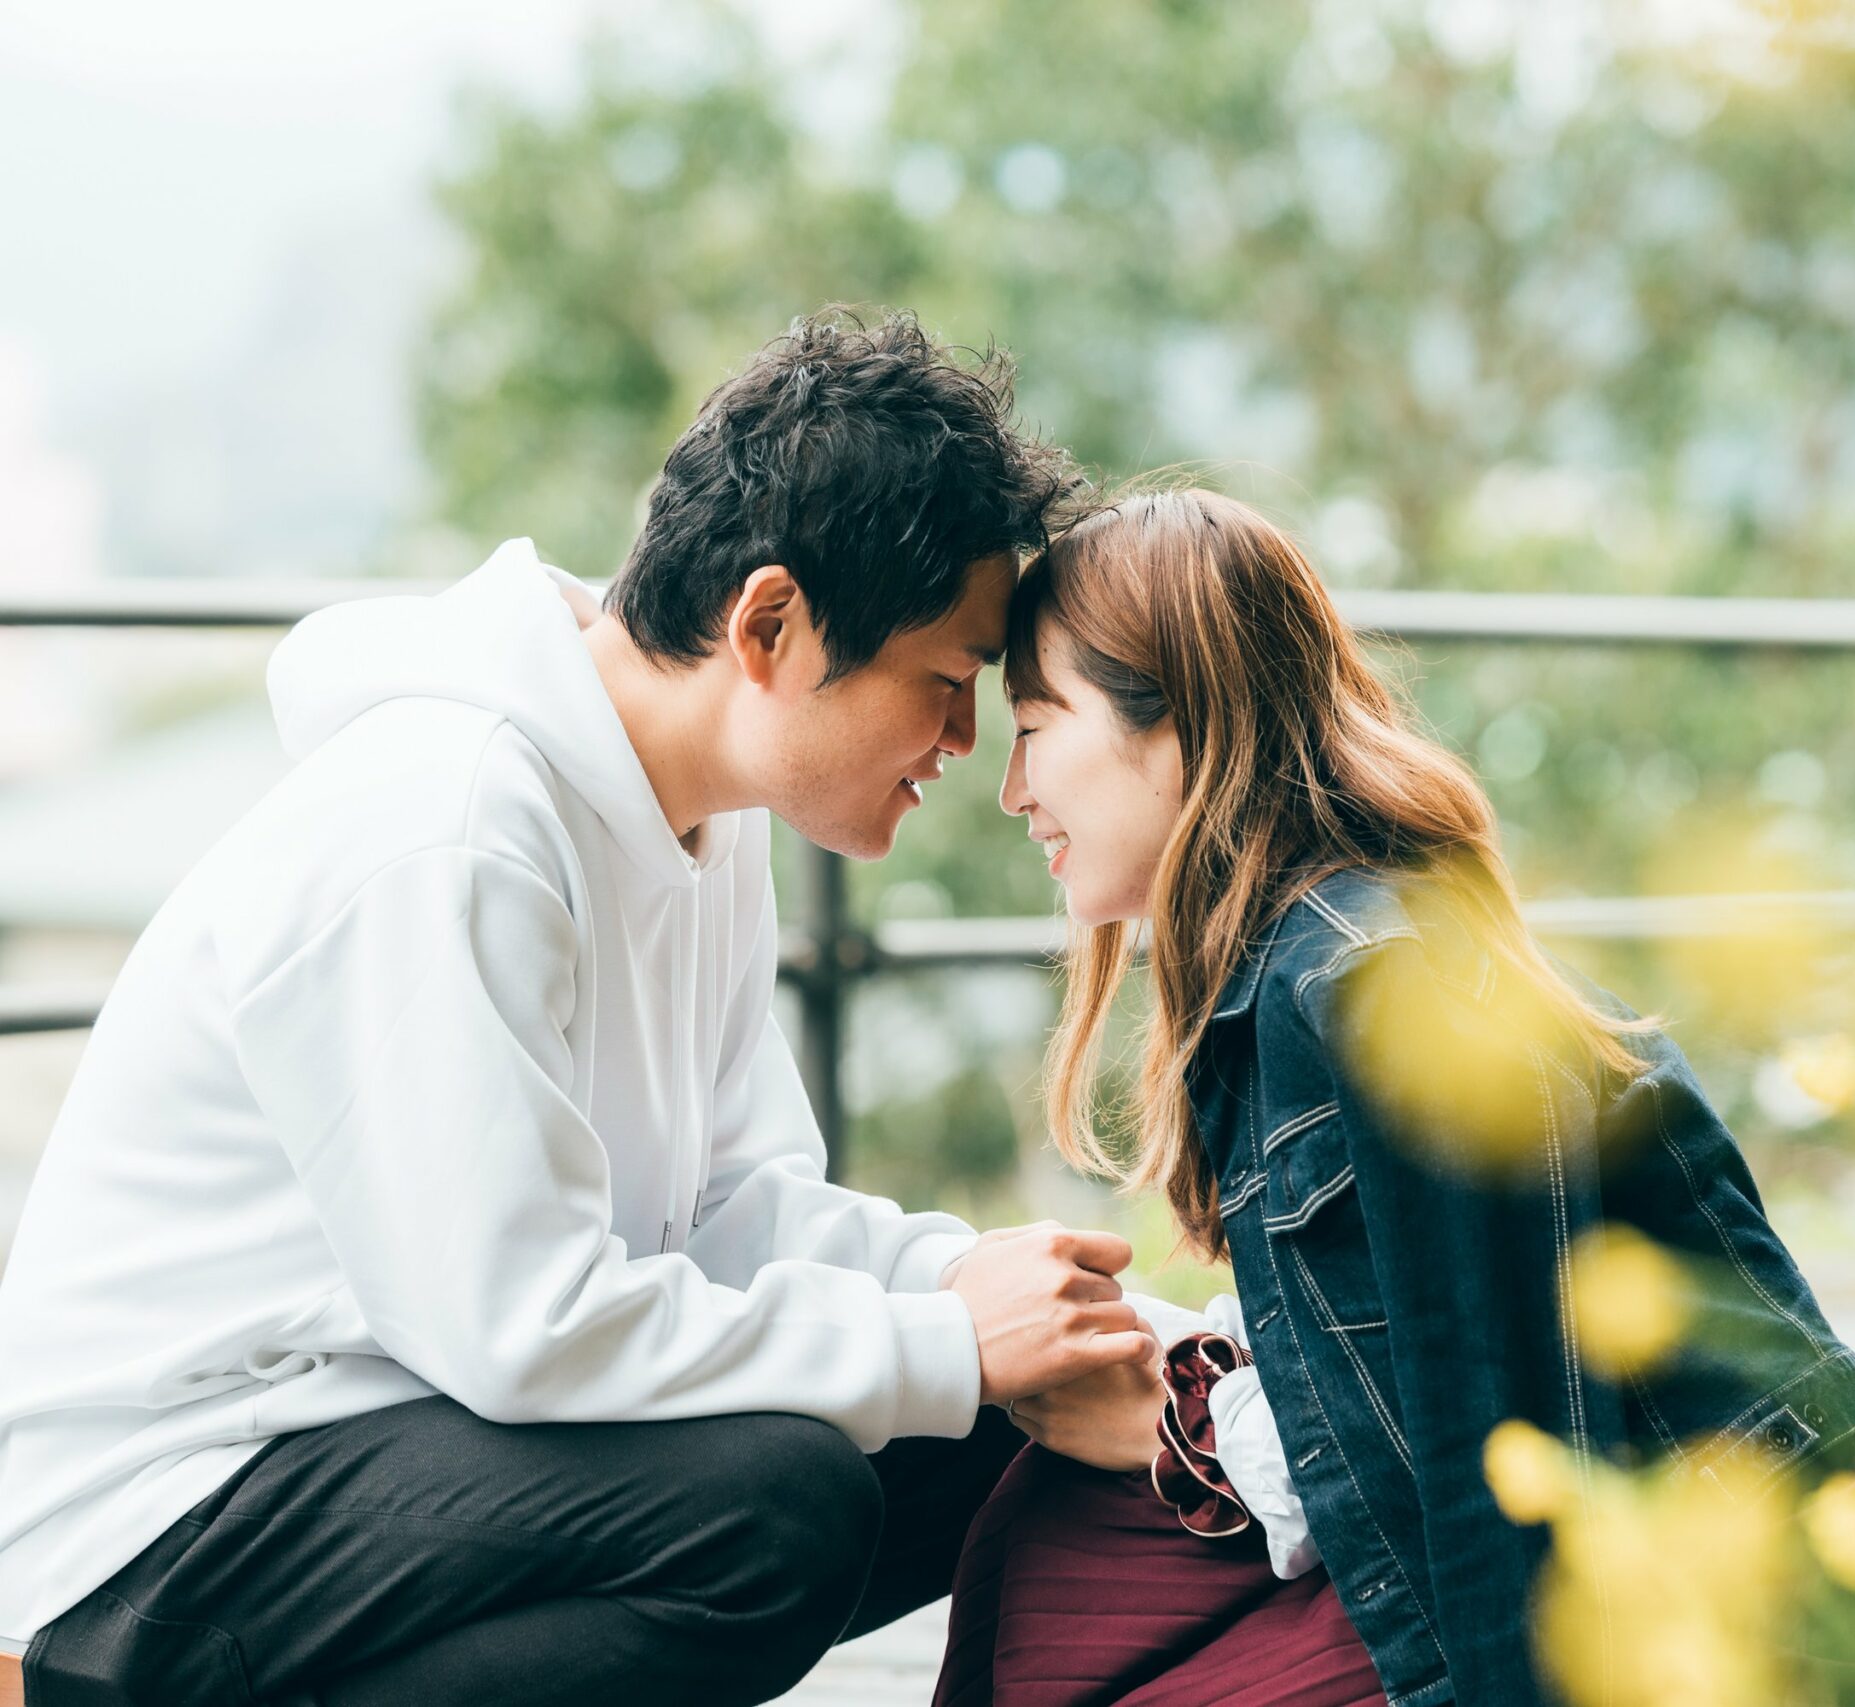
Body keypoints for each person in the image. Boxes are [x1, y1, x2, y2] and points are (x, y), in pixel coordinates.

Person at [0, 309, 1163, 1707]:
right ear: (772, 624)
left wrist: (1030, 1304)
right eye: (948, 679)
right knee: (775, 1503)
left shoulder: (707, 826)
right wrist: (935, 1341)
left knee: (985, 1424)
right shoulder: (449, 820)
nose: (968, 743)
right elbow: (523, 1323)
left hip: (401, 1437)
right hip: (158, 1522)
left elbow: (733, 1207)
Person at [935, 487, 1855, 1707]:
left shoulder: (1369, 986)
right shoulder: (1298, 965)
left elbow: (1502, 1453)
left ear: (1176, 720)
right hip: (1633, 1520)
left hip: (1750, 1576)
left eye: (1035, 726)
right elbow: (1393, 1354)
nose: (1011, 790)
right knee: (1047, 1555)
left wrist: (1178, 1430)